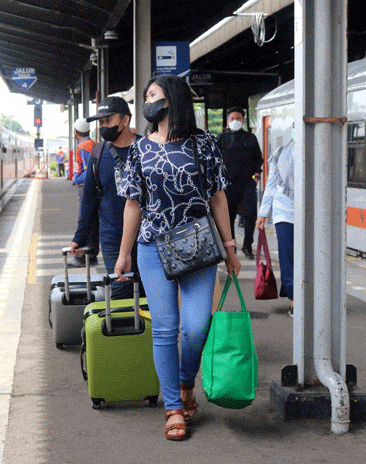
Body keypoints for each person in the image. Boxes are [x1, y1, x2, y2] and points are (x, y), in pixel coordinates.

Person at [115, 75, 240, 441]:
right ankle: (173, 407)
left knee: (197, 326)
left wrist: (231, 249)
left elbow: (218, 198)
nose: (147, 101)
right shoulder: (139, 149)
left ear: (172, 99)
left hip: (199, 245)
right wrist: (124, 254)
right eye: (147, 96)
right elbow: (133, 204)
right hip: (153, 246)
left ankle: (186, 381)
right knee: (166, 328)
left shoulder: (205, 144)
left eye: (152, 94)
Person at [70, 96, 139, 297]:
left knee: (145, 295)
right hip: (111, 237)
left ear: (125, 120)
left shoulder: (146, 148)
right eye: (101, 122)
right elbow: (89, 198)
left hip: (145, 237)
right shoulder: (98, 152)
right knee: (119, 293)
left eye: (108, 120)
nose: (104, 126)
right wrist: (80, 237)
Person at [217, 107, 263, 260]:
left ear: (243, 121)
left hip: (247, 184)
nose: (235, 121)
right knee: (228, 218)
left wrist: (256, 177)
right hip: (227, 185)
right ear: (228, 121)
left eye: (238, 118)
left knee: (250, 215)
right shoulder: (221, 138)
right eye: (232, 118)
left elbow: (258, 159)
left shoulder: (250, 138)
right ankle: (231, 249)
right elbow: (215, 161)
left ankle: (248, 245)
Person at [256, 133, 294, 316]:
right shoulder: (279, 154)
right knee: (287, 255)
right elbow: (271, 184)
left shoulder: (316, 150)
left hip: (310, 212)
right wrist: (264, 213)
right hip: (284, 211)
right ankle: (294, 299)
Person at [69, 117, 98, 267]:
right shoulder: (92, 144)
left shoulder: (83, 147)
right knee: (91, 220)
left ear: (75, 132)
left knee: (85, 219)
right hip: (88, 185)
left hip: (84, 186)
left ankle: (83, 256)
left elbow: (87, 169)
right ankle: (91, 254)